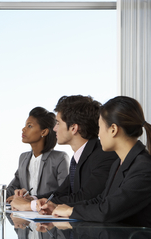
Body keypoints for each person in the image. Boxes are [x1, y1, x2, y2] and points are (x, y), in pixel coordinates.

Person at [51, 96, 151, 225]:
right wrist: (58, 206)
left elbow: (107, 210)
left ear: (113, 130)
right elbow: (101, 200)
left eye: (100, 128)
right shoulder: (118, 163)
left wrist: (71, 210)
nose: (98, 134)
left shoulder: (144, 167)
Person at [10, 95, 117, 212]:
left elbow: (85, 197)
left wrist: (33, 205)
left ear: (73, 128)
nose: (54, 128)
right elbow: (61, 192)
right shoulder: (78, 157)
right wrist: (32, 199)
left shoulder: (104, 155)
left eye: (58, 123)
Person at [6, 106, 69, 199]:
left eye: (29, 126)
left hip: (49, 212)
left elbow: (64, 193)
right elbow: (12, 189)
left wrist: (32, 200)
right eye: (25, 125)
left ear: (44, 132)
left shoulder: (60, 158)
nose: (23, 129)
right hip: (26, 213)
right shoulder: (23, 158)